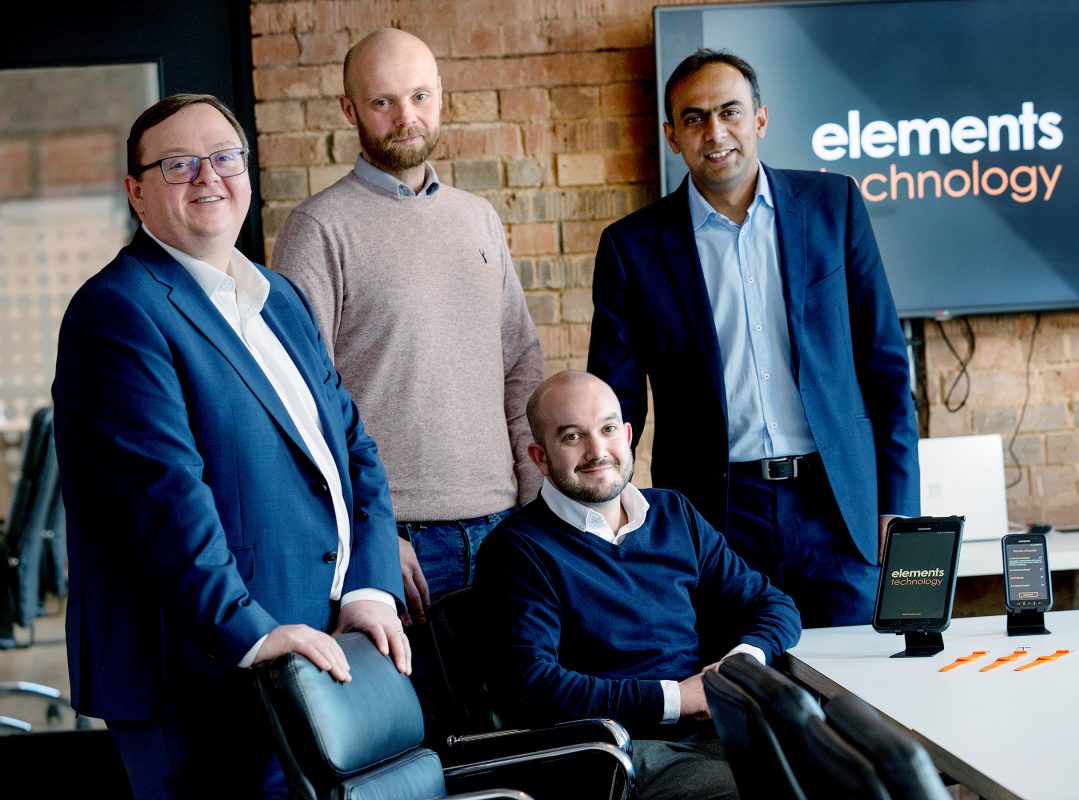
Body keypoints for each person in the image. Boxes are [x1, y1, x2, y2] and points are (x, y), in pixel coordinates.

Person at [53, 94, 410, 799]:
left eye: (223, 157)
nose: (206, 176)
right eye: (177, 164)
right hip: (202, 670)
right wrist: (252, 634)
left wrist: (370, 586)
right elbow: (162, 500)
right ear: (137, 192)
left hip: (314, 649)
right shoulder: (118, 310)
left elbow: (353, 451)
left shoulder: (279, 297)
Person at [587, 49, 920, 628]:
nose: (715, 132)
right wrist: (616, 520)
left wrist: (899, 507)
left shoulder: (833, 208)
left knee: (861, 693)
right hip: (716, 517)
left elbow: (885, 368)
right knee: (741, 693)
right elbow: (614, 406)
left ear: (759, 119)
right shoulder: (632, 247)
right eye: (694, 118)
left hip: (838, 505)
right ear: (672, 135)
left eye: (730, 112)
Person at [272, 28, 543, 625]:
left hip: (507, 530)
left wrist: (534, 502)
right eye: (382, 102)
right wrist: (370, 537)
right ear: (349, 109)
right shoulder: (317, 230)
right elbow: (297, 406)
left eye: (420, 96)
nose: (406, 117)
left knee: (516, 719)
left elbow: (521, 364)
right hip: (400, 544)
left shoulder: (479, 219)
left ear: (441, 95)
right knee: (417, 720)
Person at [474, 370, 801, 800]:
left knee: (856, 773)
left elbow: (773, 605)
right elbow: (532, 687)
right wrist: (676, 699)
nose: (597, 451)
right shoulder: (517, 550)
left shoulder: (674, 513)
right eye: (572, 436)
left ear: (627, 435)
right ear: (540, 456)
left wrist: (738, 665)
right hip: (618, 752)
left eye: (608, 429)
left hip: (720, 729)